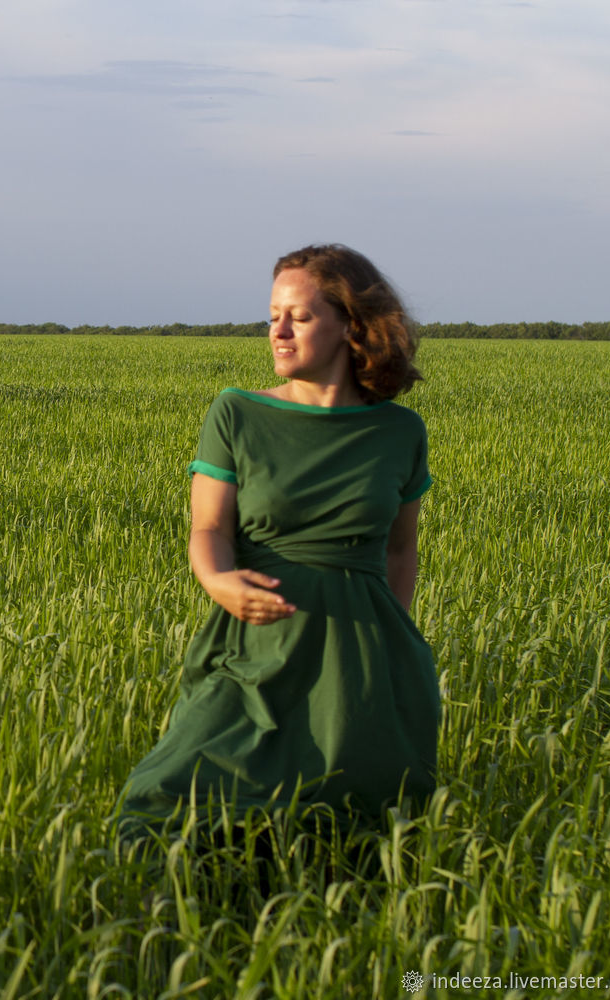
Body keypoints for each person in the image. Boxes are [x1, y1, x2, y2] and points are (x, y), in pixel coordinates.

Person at [114, 244, 440, 849]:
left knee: (353, 828)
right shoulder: (237, 412)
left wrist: (396, 643)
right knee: (174, 798)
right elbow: (208, 527)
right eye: (272, 316)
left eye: (300, 317)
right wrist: (218, 582)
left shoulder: (400, 431)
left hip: (361, 654)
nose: (278, 331)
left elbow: (401, 549)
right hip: (254, 641)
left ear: (352, 326)